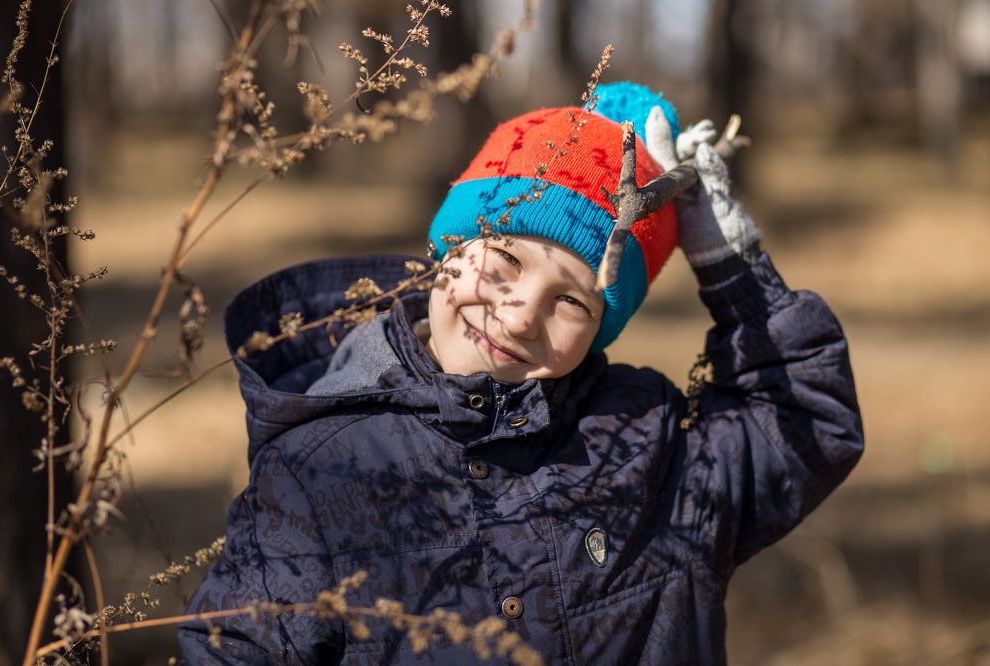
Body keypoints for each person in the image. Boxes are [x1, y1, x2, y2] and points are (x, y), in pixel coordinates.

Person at [178, 81, 863, 665]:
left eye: (570, 300)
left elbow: (804, 422)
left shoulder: (646, 442)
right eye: (503, 262)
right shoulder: (322, 466)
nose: (518, 316)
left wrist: (729, 263)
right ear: (447, 249)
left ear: (604, 326)